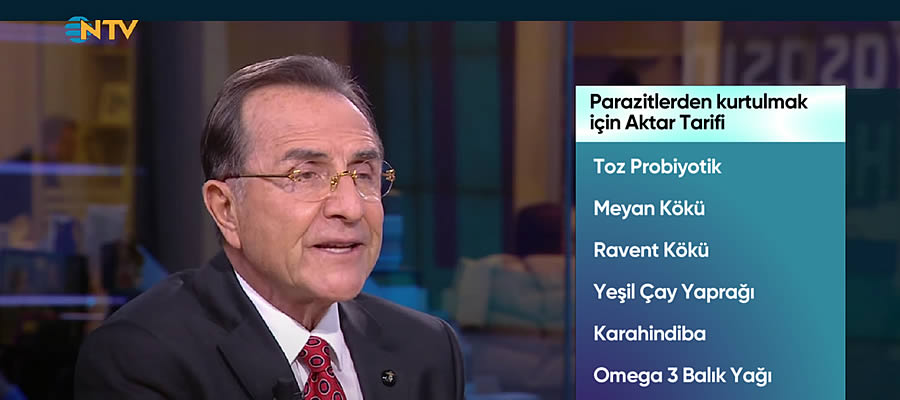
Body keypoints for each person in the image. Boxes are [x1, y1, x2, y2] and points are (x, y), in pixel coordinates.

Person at [74, 55, 465, 400]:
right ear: (226, 208)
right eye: (306, 175)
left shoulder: (427, 348)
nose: (350, 207)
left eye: (363, 175)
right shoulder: (143, 357)